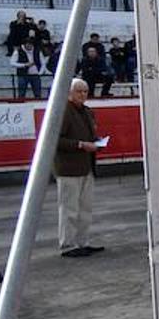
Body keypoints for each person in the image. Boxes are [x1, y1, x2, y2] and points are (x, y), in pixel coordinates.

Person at [54, 78, 105, 258]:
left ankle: (82, 242)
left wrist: (96, 141)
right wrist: (81, 144)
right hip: (69, 167)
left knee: (85, 207)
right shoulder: (63, 111)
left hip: (86, 165)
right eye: (79, 91)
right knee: (69, 208)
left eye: (85, 91)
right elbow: (54, 140)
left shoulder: (87, 112)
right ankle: (68, 244)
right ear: (69, 93)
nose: (83, 95)